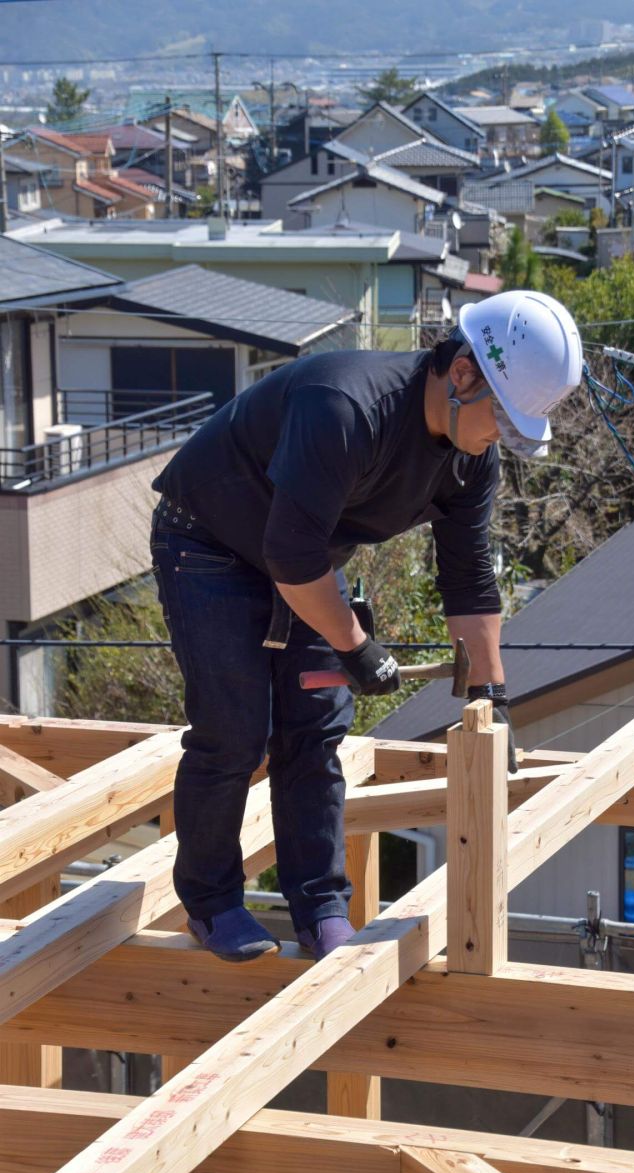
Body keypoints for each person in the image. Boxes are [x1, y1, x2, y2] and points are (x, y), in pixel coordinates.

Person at [149, 290, 583, 963]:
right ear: (463, 374)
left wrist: (490, 698)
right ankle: (211, 904)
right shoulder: (348, 407)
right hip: (209, 545)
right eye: (502, 418)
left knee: (315, 730)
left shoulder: (471, 459)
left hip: (305, 558)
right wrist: (356, 646)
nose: (501, 436)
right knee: (234, 732)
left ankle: (320, 906)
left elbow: (469, 580)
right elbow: (289, 560)